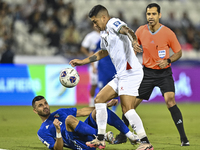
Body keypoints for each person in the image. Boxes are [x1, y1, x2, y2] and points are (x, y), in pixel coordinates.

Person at [70, 5, 153, 150]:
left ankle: (145, 142)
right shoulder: (104, 33)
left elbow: (127, 30)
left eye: (95, 22)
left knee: (127, 109)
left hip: (131, 72)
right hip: (121, 74)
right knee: (99, 99)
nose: (94, 25)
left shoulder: (113, 23)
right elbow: (103, 52)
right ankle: (100, 139)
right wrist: (83, 61)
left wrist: (134, 40)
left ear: (103, 17)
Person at [114, 3, 190, 147]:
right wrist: (134, 46)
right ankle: (122, 135)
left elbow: (179, 52)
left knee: (170, 101)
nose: (151, 17)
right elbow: (133, 46)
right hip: (147, 73)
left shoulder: (168, 33)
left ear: (159, 15)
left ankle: (184, 138)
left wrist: (168, 60)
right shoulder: (141, 31)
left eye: (154, 14)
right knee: (130, 105)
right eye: (148, 14)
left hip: (164, 73)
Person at [32, 95, 139, 150]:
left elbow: (83, 112)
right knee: (69, 119)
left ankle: (130, 135)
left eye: (45, 103)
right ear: (35, 110)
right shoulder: (42, 132)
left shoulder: (59, 112)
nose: (45, 106)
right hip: (78, 142)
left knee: (100, 111)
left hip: (85, 132)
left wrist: (105, 105)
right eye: (40, 105)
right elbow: (57, 149)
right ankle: (102, 136)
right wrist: (58, 131)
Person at [80, 27, 100, 107]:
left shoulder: (107, 34)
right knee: (94, 84)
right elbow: (83, 48)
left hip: (105, 63)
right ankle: (91, 101)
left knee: (104, 84)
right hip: (94, 62)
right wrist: (89, 57)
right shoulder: (90, 36)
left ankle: (102, 102)